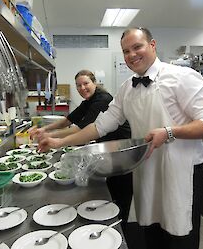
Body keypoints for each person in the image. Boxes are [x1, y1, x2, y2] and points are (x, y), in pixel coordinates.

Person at [37, 28, 203, 249]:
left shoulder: (181, 76)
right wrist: (58, 142)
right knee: (151, 234)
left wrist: (170, 132)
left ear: (152, 45)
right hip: (147, 168)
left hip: (181, 171)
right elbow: (99, 126)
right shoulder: (127, 89)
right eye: (126, 51)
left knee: (180, 237)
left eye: (137, 47)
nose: (131, 55)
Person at [29, 69, 132, 236]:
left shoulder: (102, 100)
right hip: (109, 152)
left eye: (86, 83)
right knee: (110, 194)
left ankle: (119, 233)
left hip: (121, 154)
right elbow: (68, 120)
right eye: (78, 85)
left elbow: (80, 129)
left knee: (119, 196)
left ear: (95, 83)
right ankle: (110, 227)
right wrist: (44, 129)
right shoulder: (89, 100)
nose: (82, 88)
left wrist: (51, 138)